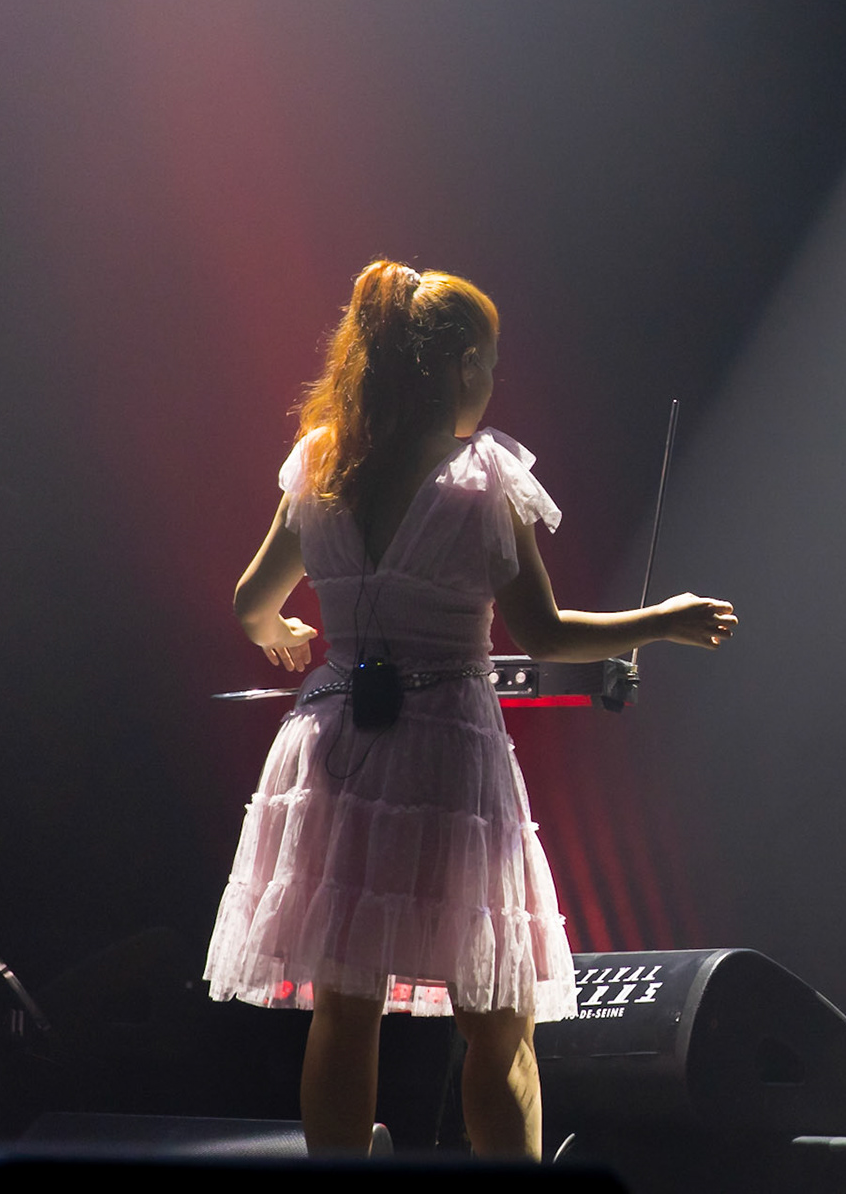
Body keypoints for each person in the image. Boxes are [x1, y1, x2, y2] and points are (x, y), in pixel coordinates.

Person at [205, 260, 737, 1158]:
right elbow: (546, 633)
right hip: (444, 749)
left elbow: (250, 604)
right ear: (457, 365)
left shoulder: (323, 464)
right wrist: (664, 621)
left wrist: (288, 628)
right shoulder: (482, 481)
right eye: (488, 362)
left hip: (332, 744)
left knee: (344, 1007)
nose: (493, 381)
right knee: (497, 1020)